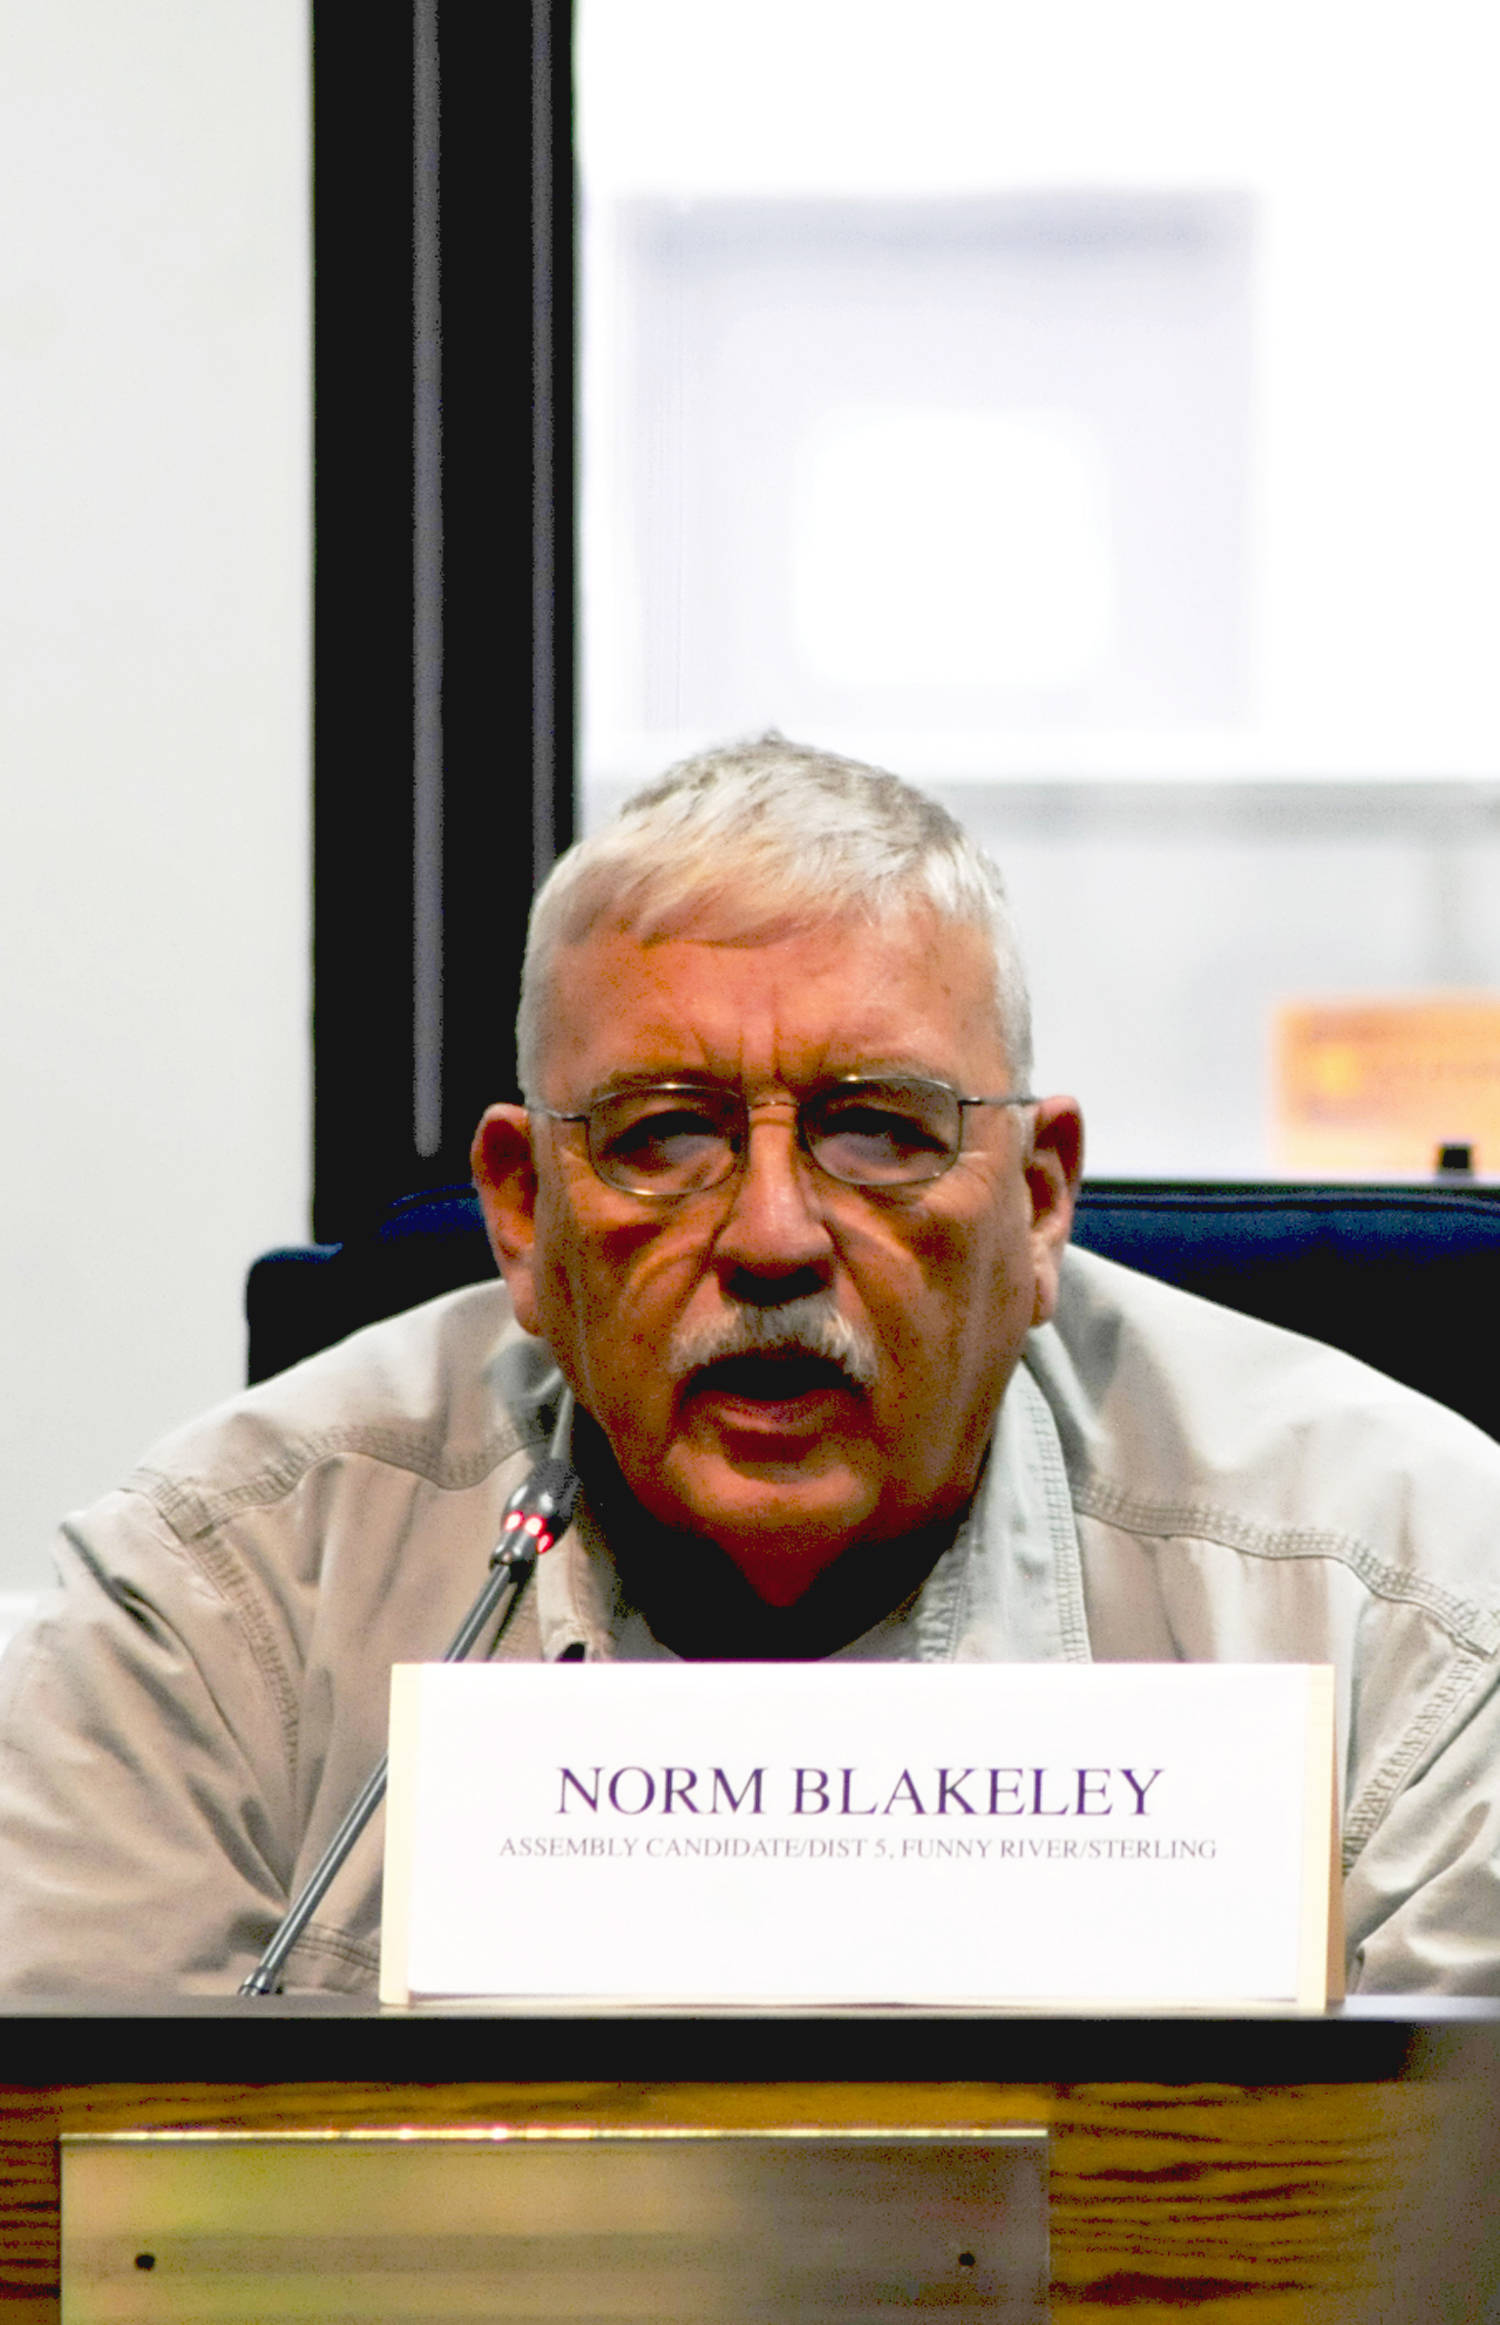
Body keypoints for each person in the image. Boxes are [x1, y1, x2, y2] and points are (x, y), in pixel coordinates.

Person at [2, 735, 1499, 1995]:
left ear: (1038, 1202)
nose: (773, 1235)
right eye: (663, 1134)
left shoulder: (1421, 1607)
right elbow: (73, 2216)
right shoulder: (220, 1604)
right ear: (523, 1216)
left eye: (879, 1129)